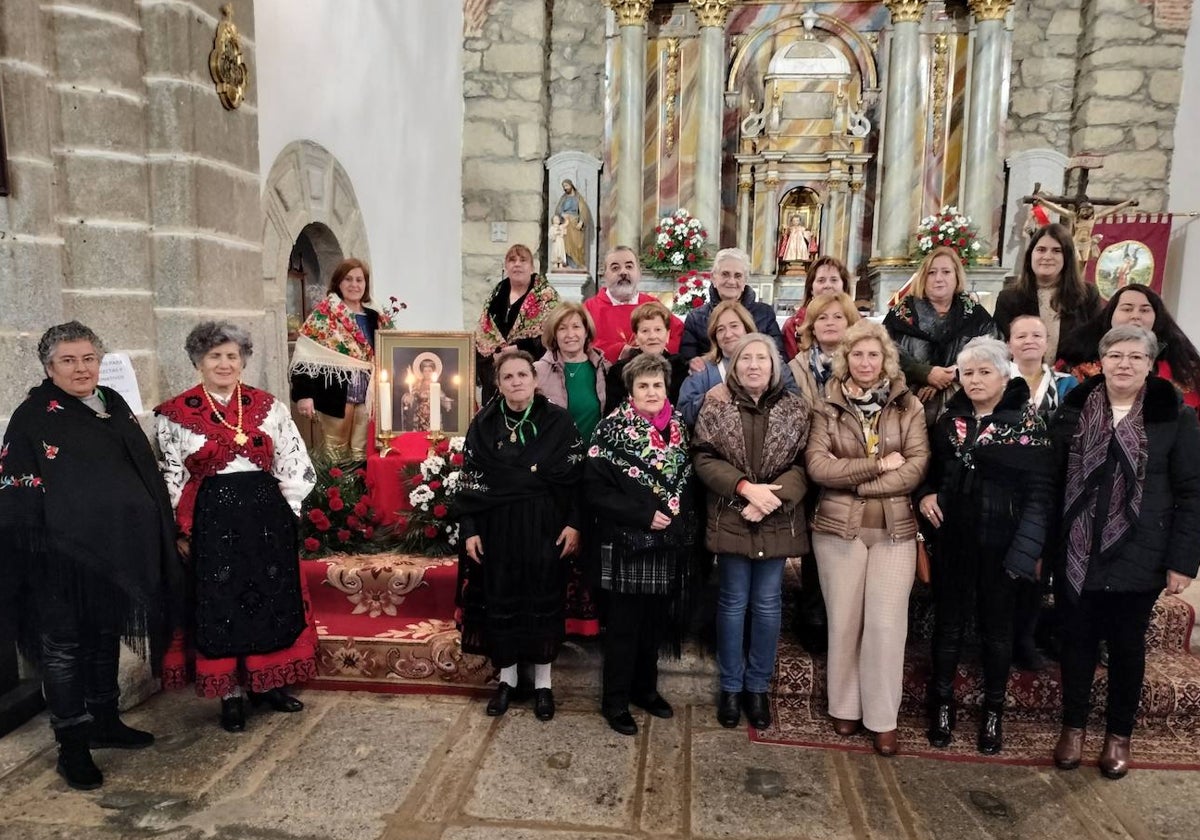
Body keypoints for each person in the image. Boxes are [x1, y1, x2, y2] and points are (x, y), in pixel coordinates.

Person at [0, 322, 180, 790]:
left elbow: (139, 469)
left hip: (112, 553)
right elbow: (17, 494)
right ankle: (73, 748)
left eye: (88, 359)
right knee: (63, 649)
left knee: (104, 636)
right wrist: (37, 552)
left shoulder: (111, 403)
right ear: (48, 367)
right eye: (68, 360)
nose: (81, 368)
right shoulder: (33, 416)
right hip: (57, 559)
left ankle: (105, 721)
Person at [1049, 325, 1200, 779]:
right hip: (1078, 547)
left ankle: (1119, 735)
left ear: (1150, 364)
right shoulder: (1075, 407)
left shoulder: (1173, 413)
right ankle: (1072, 727)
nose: (1124, 364)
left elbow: (1192, 491)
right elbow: (1054, 481)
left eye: (1136, 357)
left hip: (1142, 548)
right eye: (1115, 355)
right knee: (1075, 642)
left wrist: (1182, 560)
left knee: (1127, 646)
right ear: (1101, 360)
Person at [157, 322, 318, 734]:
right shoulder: (175, 415)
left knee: (270, 600)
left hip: (267, 521)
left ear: (243, 360)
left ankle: (269, 685)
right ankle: (230, 695)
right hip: (212, 525)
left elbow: (294, 460)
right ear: (198, 361)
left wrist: (289, 512)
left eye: (232, 355)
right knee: (223, 606)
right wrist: (181, 529)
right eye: (215, 356)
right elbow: (170, 478)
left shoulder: (269, 406)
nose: (225, 363)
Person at [917, 337, 1053, 755]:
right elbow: (930, 471)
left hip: (1004, 543)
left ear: (1004, 374)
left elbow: (1039, 492)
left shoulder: (1026, 424)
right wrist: (924, 492)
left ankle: (993, 712)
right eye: (968, 373)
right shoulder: (947, 421)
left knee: (998, 632)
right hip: (954, 541)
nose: (975, 380)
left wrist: (1028, 550)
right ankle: (941, 705)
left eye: (984, 372)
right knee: (949, 625)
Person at [805, 321, 929, 756]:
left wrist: (857, 483)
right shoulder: (827, 407)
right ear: (845, 359)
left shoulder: (908, 405)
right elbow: (819, 467)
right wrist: (876, 468)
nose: (865, 362)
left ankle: (882, 716)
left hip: (895, 529)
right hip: (839, 529)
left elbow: (917, 466)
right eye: (856, 354)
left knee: (885, 624)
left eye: (873, 355)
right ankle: (845, 705)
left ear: (886, 360)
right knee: (844, 621)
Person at [455, 352, 584, 722]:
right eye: (508, 376)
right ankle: (508, 681)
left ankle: (543, 685)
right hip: (497, 528)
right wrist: (471, 529)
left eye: (522, 375)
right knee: (502, 600)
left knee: (542, 601)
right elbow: (471, 482)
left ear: (534, 379)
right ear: (498, 384)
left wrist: (574, 524)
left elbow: (577, 480)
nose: (516, 382)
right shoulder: (484, 423)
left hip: (545, 526)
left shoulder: (558, 421)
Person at [693, 334, 811, 730]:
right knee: (732, 601)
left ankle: (757, 687)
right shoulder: (716, 404)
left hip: (777, 514)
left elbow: (803, 462)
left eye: (762, 358)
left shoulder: (796, 409)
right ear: (736, 365)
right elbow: (703, 456)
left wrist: (773, 497)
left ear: (775, 365)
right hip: (733, 511)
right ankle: (730, 686)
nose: (754, 365)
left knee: (767, 604)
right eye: (747, 358)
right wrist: (745, 488)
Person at [585, 354, 695, 736]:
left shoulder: (680, 426)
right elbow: (595, 491)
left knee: (654, 624)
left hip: (668, 542)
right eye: (644, 385)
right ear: (630, 391)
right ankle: (615, 701)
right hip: (625, 543)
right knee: (624, 627)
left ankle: (645, 691)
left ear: (667, 388)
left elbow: (688, 482)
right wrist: (643, 514)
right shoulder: (610, 429)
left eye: (657, 385)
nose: (652, 391)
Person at [785, 292, 861, 655]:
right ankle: (813, 616)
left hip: (849, 465)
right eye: (822, 318)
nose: (830, 323)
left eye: (838, 317)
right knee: (815, 546)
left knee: (844, 544)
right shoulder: (796, 366)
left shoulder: (861, 362)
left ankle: (842, 620)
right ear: (811, 326)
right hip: (807, 462)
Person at [1007, 314, 1079, 671]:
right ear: (1009, 343)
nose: (1029, 341)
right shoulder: (998, 378)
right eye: (1021, 336)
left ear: (1047, 342)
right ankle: (1000, 636)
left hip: (1050, 484)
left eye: (1036, 335)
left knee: (1037, 564)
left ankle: (1026, 636)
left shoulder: (1067, 386)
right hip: (1006, 484)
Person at [290, 258, 394, 461]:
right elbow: (305, 356)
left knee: (363, 452)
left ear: (366, 284)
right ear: (338, 283)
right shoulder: (323, 316)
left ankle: (360, 492)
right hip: (334, 394)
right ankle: (337, 493)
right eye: (348, 279)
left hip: (368, 396)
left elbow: (390, 351)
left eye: (359, 280)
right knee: (335, 452)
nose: (354, 285)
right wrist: (304, 394)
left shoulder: (376, 317)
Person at [884, 246, 999, 425]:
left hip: (965, 403)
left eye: (946, 272)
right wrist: (925, 373)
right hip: (909, 403)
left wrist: (953, 373)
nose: (939, 278)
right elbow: (885, 352)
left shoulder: (974, 314)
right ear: (923, 277)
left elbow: (993, 351)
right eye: (932, 272)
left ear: (956, 277)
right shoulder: (901, 314)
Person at [1057, 284, 1200, 409]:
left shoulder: (1182, 369)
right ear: (1110, 315)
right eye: (1127, 309)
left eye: (1144, 310)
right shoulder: (1077, 361)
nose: (1135, 316)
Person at [993, 223, 1103, 361]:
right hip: (1021, 378)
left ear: (1067, 257)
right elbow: (999, 347)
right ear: (1030, 255)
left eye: (1057, 251)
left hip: (1075, 379)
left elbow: (1097, 343)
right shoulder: (1008, 298)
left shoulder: (1088, 295)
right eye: (1041, 250)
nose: (1047, 256)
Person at [475, 244, 561, 404]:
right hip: (497, 374)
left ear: (532, 266)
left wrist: (520, 348)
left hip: (533, 374)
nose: (517, 264)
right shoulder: (496, 294)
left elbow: (554, 336)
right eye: (512, 260)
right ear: (506, 266)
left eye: (523, 260)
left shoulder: (546, 296)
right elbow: (484, 334)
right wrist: (494, 354)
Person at [680, 247, 784, 370]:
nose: (731, 281)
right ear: (713, 278)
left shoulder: (764, 314)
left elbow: (779, 357)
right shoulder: (696, 318)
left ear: (745, 280)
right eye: (725, 274)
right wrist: (693, 363)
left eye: (738, 276)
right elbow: (687, 361)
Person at [583, 246, 683, 364]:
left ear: (639, 273)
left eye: (629, 266)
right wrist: (618, 351)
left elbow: (678, 335)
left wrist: (654, 350)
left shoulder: (653, 305)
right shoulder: (589, 309)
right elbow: (581, 344)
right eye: (615, 268)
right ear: (604, 274)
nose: (623, 272)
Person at [534, 302, 608, 443]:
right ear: (555, 334)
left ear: (586, 332)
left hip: (594, 459)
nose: (570, 334)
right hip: (554, 459)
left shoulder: (604, 369)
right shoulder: (537, 371)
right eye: (562, 328)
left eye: (576, 327)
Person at [677, 300, 755, 427]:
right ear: (714, 337)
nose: (728, 334)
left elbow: (791, 400)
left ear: (747, 328)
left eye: (734, 326)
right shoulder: (702, 369)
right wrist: (705, 399)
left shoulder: (769, 362)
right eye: (720, 329)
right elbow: (681, 415)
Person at [605, 301, 690, 412]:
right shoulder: (618, 371)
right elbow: (613, 413)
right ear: (636, 337)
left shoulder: (680, 367)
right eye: (645, 331)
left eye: (658, 330)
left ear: (668, 335)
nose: (652, 336)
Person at [781, 257, 853, 361]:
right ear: (811, 289)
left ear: (844, 286)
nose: (827, 286)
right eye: (821, 280)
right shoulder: (793, 327)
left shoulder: (859, 324)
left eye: (834, 280)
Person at [400, 354, 454, 432]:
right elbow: (413, 395)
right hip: (419, 415)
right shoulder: (418, 384)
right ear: (422, 372)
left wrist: (442, 399)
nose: (427, 373)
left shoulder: (436, 385)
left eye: (429, 371)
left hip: (433, 414)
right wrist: (408, 398)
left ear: (433, 372)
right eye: (425, 371)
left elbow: (442, 397)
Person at [554, 179, 593, 270]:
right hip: (565, 224)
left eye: (566, 186)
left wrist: (581, 221)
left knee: (577, 244)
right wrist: (562, 214)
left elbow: (583, 210)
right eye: (564, 187)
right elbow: (558, 210)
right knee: (565, 245)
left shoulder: (578, 198)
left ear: (571, 185)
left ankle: (578, 264)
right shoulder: (563, 198)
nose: (565, 188)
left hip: (575, 224)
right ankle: (567, 263)